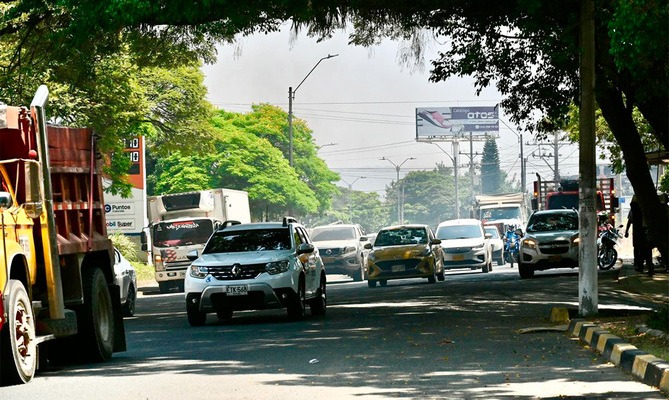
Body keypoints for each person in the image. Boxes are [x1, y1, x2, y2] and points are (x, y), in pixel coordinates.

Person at [625, 196, 654, 276]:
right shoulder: (644, 210)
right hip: (642, 232)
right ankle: (645, 266)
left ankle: (641, 265)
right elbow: (630, 220)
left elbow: (630, 221)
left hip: (641, 232)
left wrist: (627, 231)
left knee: (641, 249)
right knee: (644, 250)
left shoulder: (639, 211)